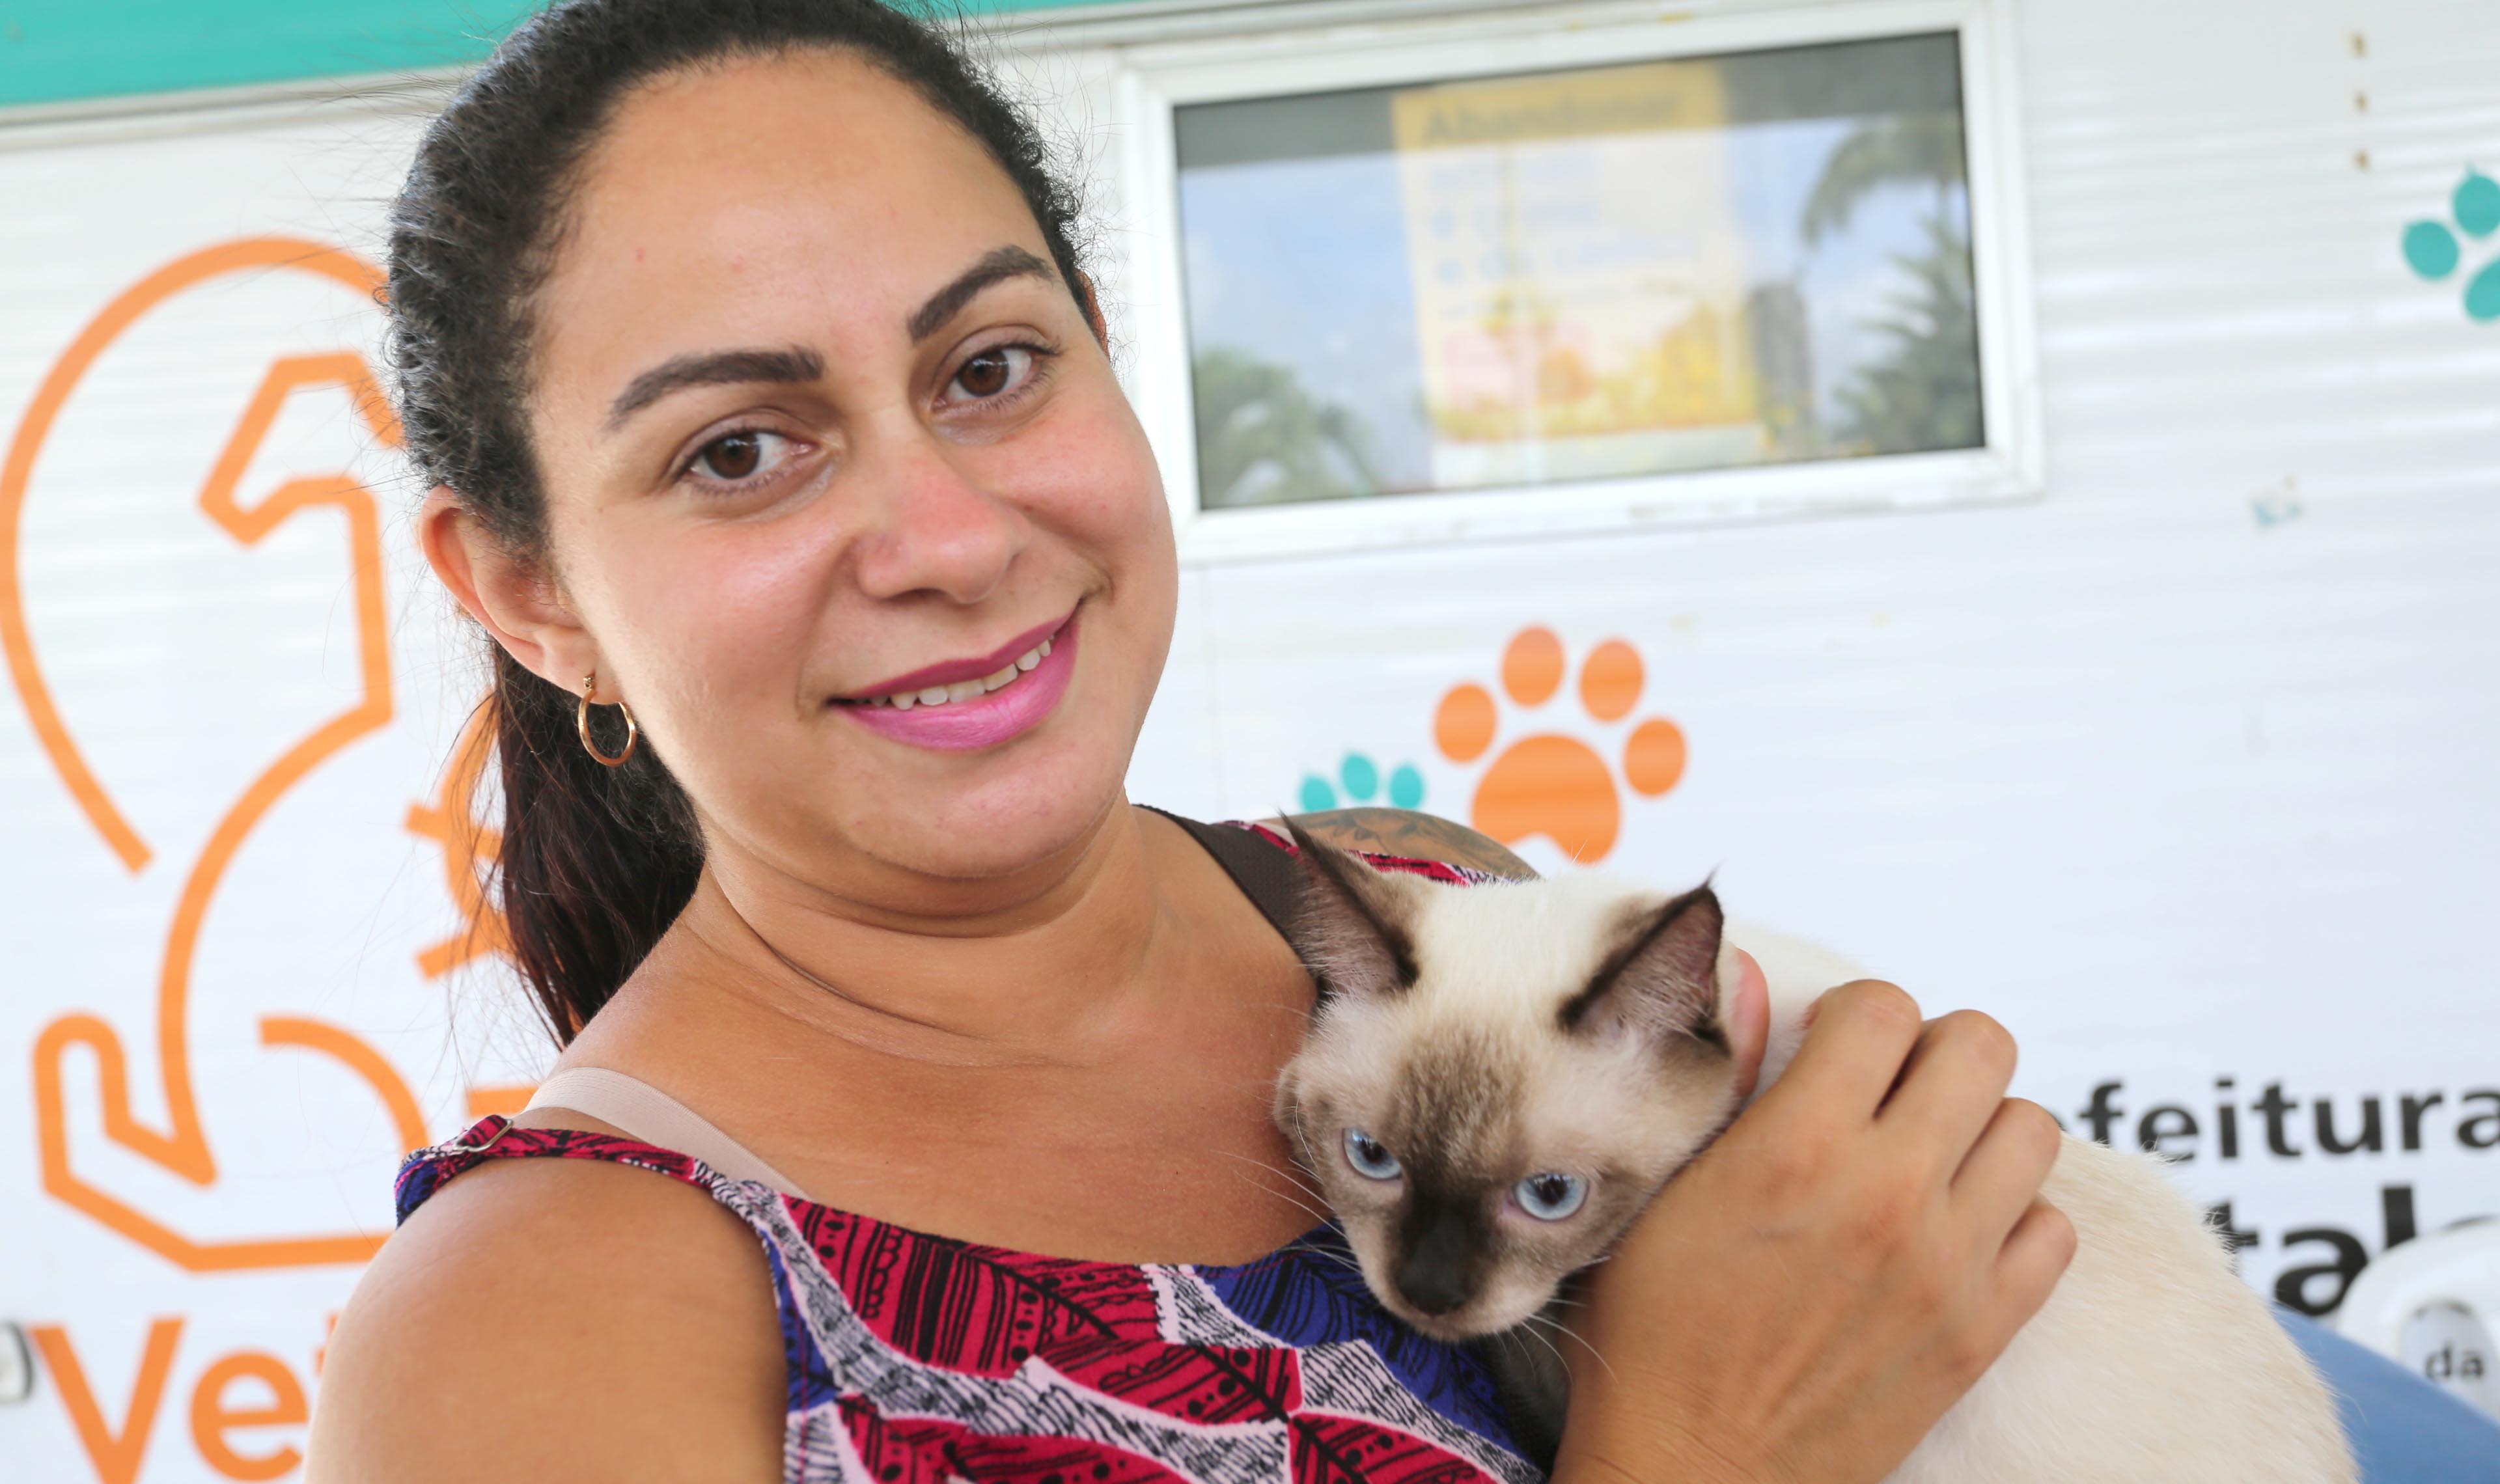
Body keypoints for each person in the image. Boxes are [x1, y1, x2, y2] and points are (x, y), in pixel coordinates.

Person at [309, 2, 2493, 1480]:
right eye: (744, 449)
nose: (951, 537)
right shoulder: (529, 1329)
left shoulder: (1414, 894)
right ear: (524, 588)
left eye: (989, 369)